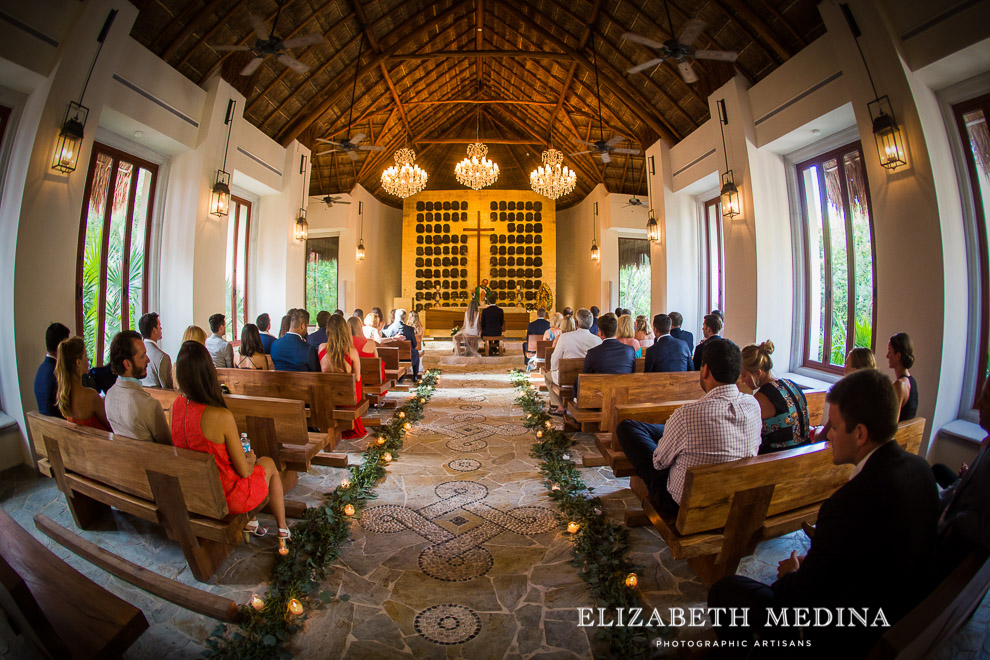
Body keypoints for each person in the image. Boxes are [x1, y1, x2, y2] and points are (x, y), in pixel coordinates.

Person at [707, 368, 939, 657]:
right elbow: (871, 549)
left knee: (724, 591)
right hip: (899, 612)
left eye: (836, 426)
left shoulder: (847, 504)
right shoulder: (922, 470)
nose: (827, 432)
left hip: (842, 635)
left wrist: (793, 573)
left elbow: (799, 597)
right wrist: (822, 560)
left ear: (860, 433)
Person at [617, 338, 761, 516]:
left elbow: (659, 463)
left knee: (627, 428)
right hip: (732, 494)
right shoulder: (753, 405)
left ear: (705, 370)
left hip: (683, 505)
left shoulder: (688, 415)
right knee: (657, 432)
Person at [171, 341, 289, 546]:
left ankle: (252, 523)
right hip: (224, 497)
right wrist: (251, 459)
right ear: (208, 372)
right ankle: (283, 528)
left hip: (193, 489)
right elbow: (243, 471)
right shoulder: (219, 415)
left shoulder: (176, 406)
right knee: (267, 463)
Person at [936, 373, 990, 568]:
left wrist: (953, 520)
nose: (978, 403)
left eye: (985, 397)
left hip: (945, 545)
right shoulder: (987, 445)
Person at [740, 340, 811, 454]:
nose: (742, 380)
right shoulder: (790, 384)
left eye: (744, 375)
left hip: (781, 458)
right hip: (805, 450)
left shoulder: (762, 398)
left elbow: (745, 433)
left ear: (758, 373)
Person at [104, 331, 171, 444]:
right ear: (127, 364)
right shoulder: (149, 405)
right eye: (143, 356)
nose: (148, 360)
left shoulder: (109, 395)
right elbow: (168, 446)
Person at [545, 308, 601, 415]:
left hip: (565, 378)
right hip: (587, 378)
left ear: (577, 323)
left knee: (547, 376)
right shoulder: (597, 340)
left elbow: (555, 358)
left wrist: (554, 370)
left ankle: (560, 406)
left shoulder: (565, 337)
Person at [320, 315, 365, 440]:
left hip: (328, 396)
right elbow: (357, 378)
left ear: (328, 330)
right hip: (347, 398)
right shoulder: (352, 351)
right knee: (357, 379)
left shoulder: (321, 347)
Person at [55, 337, 110, 431]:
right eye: (85, 355)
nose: (87, 359)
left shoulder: (64, 395)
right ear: (78, 362)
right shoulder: (90, 395)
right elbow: (111, 426)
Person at [35, 322, 70, 417]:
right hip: (60, 427)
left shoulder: (41, 369)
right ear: (61, 344)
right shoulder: (58, 372)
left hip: (46, 427)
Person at [888, 332, 918, 421]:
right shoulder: (912, 381)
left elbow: (892, 423)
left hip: (899, 435)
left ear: (898, 356)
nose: (887, 356)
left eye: (889, 352)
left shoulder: (900, 385)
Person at [382, 308, 420, 379]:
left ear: (395, 317)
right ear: (404, 318)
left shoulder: (386, 329)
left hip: (392, 357)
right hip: (407, 358)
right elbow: (414, 344)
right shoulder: (410, 329)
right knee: (416, 353)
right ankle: (415, 376)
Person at [138, 312, 173, 389]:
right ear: (154, 331)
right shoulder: (163, 357)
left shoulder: (136, 353)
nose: (161, 328)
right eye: (159, 325)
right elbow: (168, 389)